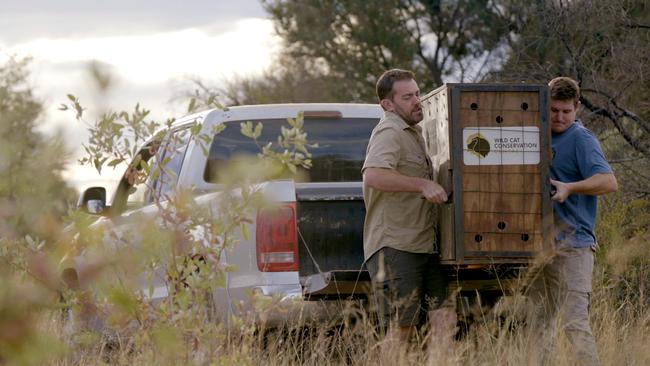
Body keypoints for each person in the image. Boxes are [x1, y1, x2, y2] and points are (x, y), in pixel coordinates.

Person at [527, 76, 618, 365]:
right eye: (554, 110)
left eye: (566, 111)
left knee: (574, 324)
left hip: (574, 246)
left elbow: (608, 181)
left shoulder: (581, 138)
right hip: (539, 248)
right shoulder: (536, 135)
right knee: (539, 328)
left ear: (577, 107)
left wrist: (571, 187)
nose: (560, 117)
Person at [362, 69, 453, 344]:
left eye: (417, 93)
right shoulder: (389, 131)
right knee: (402, 328)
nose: (417, 100)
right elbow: (373, 174)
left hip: (425, 245)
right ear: (388, 105)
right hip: (396, 245)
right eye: (407, 97)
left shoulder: (413, 133)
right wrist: (422, 185)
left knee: (444, 319)